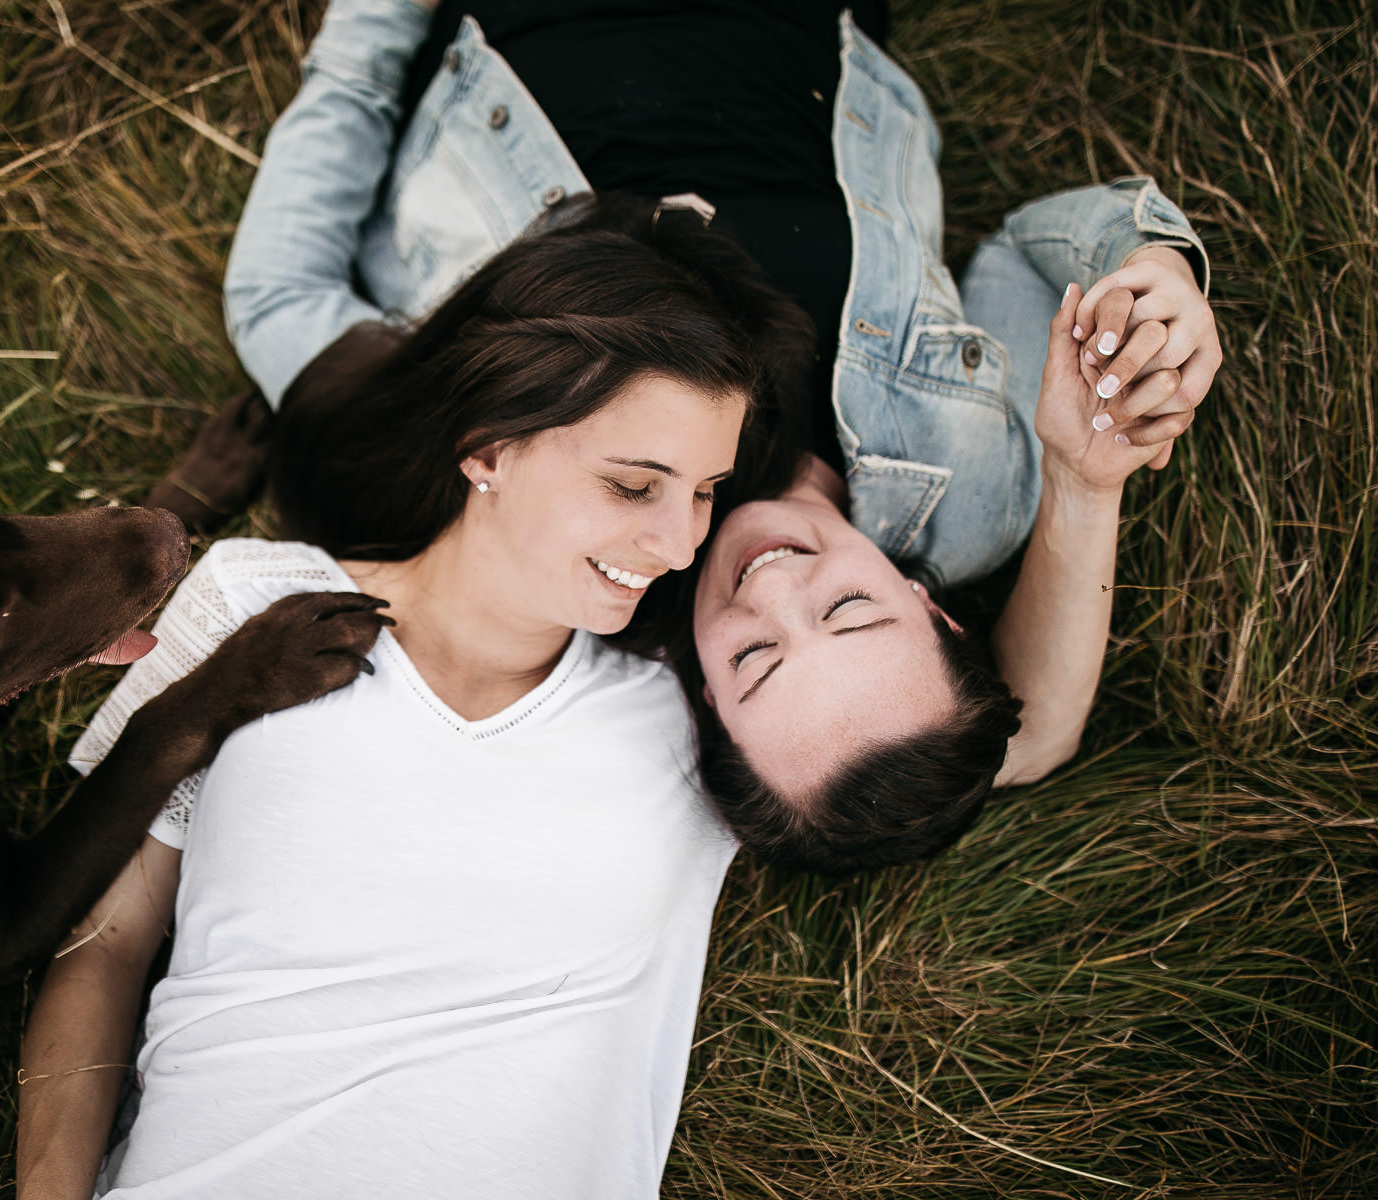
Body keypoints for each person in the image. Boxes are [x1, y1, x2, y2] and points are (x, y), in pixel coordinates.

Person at [196, 0, 1217, 868]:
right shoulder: (977, 484)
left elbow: (276, 299)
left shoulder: (583, 536)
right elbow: (1036, 250)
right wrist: (1152, 274)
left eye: (758, 661)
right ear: (933, 611)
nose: (773, 585)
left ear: (704, 712)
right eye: (853, 612)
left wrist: (379, 20)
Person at [17, 197, 811, 1199]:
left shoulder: (696, 703)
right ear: (486, 446)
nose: (681, 544)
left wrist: (1078, 488)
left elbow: (1018, 740)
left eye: (705, 490)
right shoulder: (251, 602)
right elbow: (103, 939)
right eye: (630, 485)